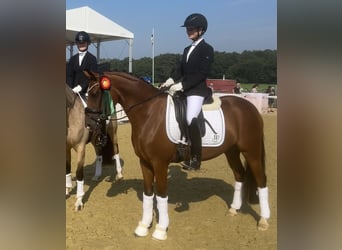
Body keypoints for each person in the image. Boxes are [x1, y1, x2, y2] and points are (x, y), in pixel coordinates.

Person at [160, 13, 214, 171]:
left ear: (201, 30)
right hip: (184, 89)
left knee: (190, 117)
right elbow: (180, 69)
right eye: (188, 29)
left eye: (192, 28)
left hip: (197, 91)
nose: (188, 31)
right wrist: (170, 80)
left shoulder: (207, 49)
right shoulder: (186, 49)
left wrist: (182, 85)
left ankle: (196, 158)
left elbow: (202, 73)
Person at [66, 31, 98, 97]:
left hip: (87, 92)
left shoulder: (92, 59)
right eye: (79, 43)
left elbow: (92, 76)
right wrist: (70, 88)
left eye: (83, 43)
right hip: (73, 92)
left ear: (88, 43)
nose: (81, 44)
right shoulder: (72, 59)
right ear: (77, 44)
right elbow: (69, 76)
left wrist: (81, 87)